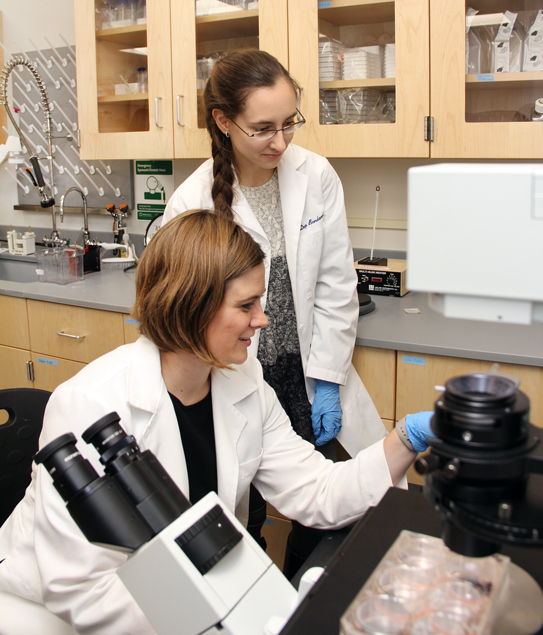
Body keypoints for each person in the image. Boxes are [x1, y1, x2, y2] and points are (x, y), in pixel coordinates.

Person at [0, 211, 433, 635]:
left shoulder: (241, 381)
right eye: (246, 305)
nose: (262, 319)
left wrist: (405, 439)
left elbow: (317, 491)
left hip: (188, 600)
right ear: (192, 306)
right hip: (50, 615)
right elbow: (85, 590)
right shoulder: (90, 405)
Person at [162, 48, 390, 575]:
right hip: (235, 374)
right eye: (263, 128)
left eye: (289, 124)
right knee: (238, 515)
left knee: (327, 511)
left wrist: (328, 377)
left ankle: (301, 589)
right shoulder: (192, 202)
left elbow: (337, 284)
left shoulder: (316, 174)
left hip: (308, 371)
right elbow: (179, 317)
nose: (281, 142)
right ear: (222, 121)